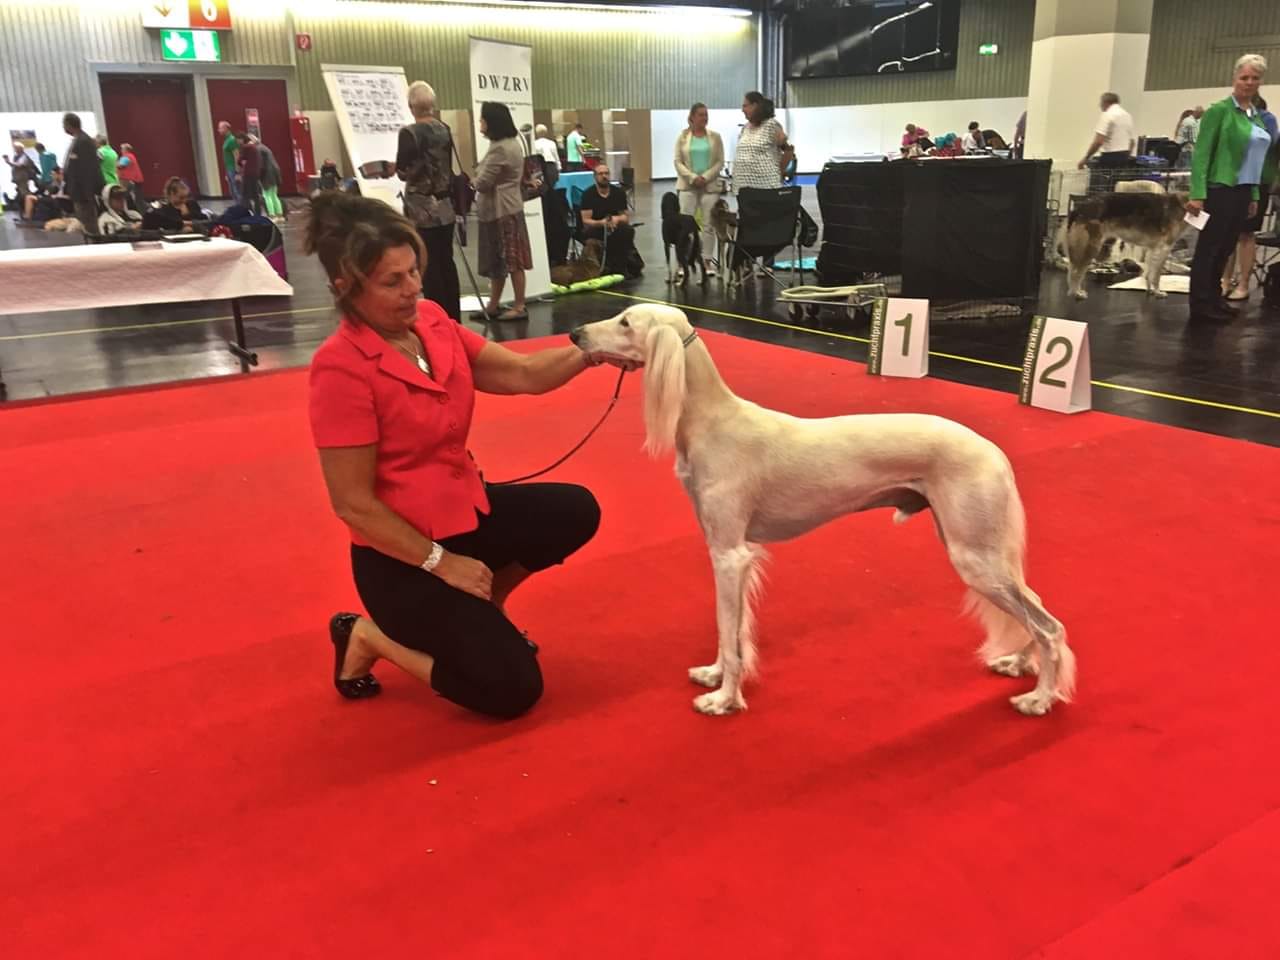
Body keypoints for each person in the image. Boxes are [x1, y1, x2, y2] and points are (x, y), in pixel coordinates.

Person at [304, 191, 634, 718]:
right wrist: (443, 564)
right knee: (511, 690)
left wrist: (593, 351)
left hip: (466, 514)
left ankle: (486, 610)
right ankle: (368, 638)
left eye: (415, 271)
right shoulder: (340, 368)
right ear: (345, 286)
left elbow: (522, 374)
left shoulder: (434, 322)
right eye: (393, 281)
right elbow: (353, 504)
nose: (413, 289)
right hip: (401, 558)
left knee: (576, 509)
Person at [1187, 54, 1272, 322]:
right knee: (1210, 247)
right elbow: (1201, 154)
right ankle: (1200, 303)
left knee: (1225, 248)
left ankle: (1214, 297)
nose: (1249, 82)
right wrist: (1197, 194)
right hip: (1219, 188)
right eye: (1244, 77)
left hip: (1244, 189)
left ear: (1260, 82)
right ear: (1234, 78)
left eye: (1254, 78)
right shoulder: (1219, 111)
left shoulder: (1255, 116)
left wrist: (1255, 194)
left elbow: (1256, 160)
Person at [396, 80, 461, 321]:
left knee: (427, 263)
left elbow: (404, 171)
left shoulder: (409, 133)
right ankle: (453, 316)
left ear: (411, 105)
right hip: (445, 205)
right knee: (446, 261)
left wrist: (394, 169)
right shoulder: (444, 129)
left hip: (421, 207)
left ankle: (435, 317)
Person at [474, 102, 532, 321]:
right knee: (499, 261)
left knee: (512, 259)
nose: (480, 123)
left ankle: (518, 306)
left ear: (491, 122)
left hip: (502, 210)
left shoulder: (500, 149)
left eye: (482, 119)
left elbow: (483, 182)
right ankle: (494, 304)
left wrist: (474, 178)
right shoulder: (510, 144)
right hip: (507, 208)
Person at [1222, 94, 1279, 302]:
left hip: (1257, 182)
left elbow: (1266, 145)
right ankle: (1225, 280)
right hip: (1231, 182)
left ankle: (1244, 283)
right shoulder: (1232, 118)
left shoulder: (1268, 120)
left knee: (1246, 233)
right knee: (1228, 232)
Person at [673, 102, 724, 277]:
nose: (705, 118)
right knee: (685, 226)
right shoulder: (682, 138)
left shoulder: (715, 137)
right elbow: (677, 161)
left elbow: (719, 162)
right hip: (688, 186)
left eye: (706, 114)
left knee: (709, 225)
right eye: (701, 114)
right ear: (692, 117)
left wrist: (706, 177)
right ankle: (683, 262)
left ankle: (707, 262)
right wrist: (693, 177)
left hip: (710, 187)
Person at [580, 162, 638, 276]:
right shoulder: (588, 194)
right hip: (596, 227)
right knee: (607, 235)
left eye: (606, 173)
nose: (604, 176)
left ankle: (621, 266)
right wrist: (601, 223)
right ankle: (612, 266)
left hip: (615, 226)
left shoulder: (619, 193)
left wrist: (616, 219)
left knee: (627, 230)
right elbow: (585, 220)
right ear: (595, 177)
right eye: (600, 174)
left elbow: (625, 217)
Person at [735, 91, 793, 190]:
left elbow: (788, 150)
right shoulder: (745, 128)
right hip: (743, 188)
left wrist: (779, 172)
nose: (742, 110)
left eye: (745, 106)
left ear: (754, 106)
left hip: (766, 187)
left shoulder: (771, 125)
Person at [1078, 92, 1135, 191]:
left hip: (1109, 158)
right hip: (1124, 157)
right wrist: (1126, 156)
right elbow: (1132, 142)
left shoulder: (1107, 115)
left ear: (1106, 102)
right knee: (1116, 188)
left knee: (1101, 188)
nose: (1100, 105)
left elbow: (1099, 141)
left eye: (1101, 103)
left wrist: (1086, 158)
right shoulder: (1127, 115)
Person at [62, 113, 102, 235]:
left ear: (69, 125)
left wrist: (87, 194)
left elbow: (88, 169)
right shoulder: (78, 140)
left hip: (83, 193)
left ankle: (96, 247)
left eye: (64, 125)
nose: (63, 128)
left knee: (88, 223)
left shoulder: (84, 141)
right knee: (83, 222)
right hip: (78, 192)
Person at [255, 136, 285, 220]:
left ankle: (272, 215)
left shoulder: (258, 150)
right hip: (275, 173)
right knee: (274, 195)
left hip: (266, 175)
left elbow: (260, 165)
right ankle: (280, 215)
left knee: (267, 195)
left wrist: (258, 176)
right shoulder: (265, 148)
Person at [236, 132, 263, 216]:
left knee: (245, 195)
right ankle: (258, 213)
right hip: (255, 173)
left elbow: (240, 160)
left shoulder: (246, 147)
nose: (237, 142)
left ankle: (248, 212)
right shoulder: (254, 147)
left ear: (241, 139)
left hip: (247, 173)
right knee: (256, 195)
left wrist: (241, 163)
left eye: (237, 140)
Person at [117, 142, 145, 212]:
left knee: (126, 198)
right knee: (138, 200)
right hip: (136, 180)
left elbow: (120, 166)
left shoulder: (126, 157)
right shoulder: (132, 156)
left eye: (122, 149)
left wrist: (115, 163)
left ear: (126, 150)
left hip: (130, 181)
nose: (121, 150)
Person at [218, 120, 240, 203]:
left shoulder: (231, 140)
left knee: (237, 191)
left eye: (220, 128)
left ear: (226, 128)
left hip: (233, 169)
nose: (219, 130)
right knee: (233, 192)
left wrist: (237, 172)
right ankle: (238, 208)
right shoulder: (226, 140)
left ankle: (242, 210)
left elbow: (236, 155)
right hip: (229, 169)